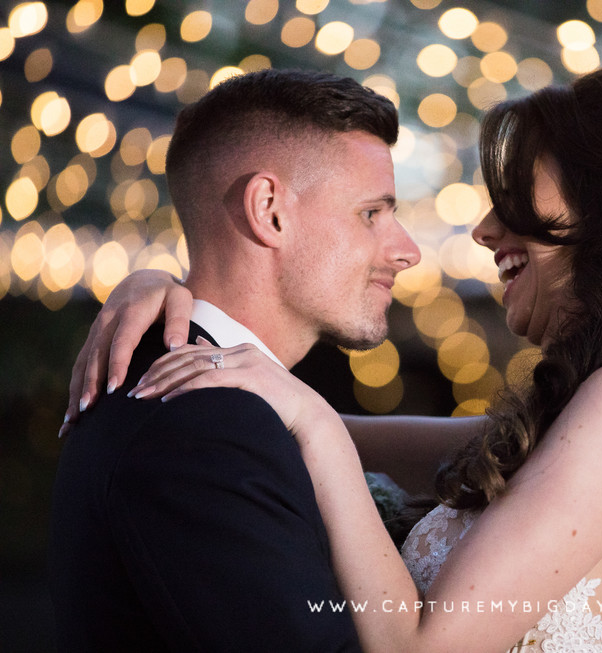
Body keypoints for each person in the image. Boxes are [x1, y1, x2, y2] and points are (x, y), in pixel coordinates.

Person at [63, 61, 602, 651]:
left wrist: (306, 421)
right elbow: (292, 425)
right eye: (372, 213)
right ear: (268, 210)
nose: (482, 230)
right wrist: (173, 292)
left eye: (516, 194)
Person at [48, 68, 421, 651]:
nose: (407, 251)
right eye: (371, 213)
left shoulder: (228, 407)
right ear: (269, 209)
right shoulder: (201, 426)